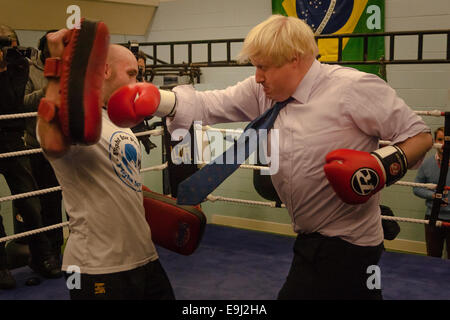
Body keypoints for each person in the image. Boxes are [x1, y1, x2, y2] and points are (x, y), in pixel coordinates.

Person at [107, 15, 433, 300]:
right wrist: (158, 100)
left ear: (294, 59)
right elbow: (209, 105)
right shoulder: (263, 92)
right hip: (311, 237)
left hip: (345, 243)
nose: (258, 76)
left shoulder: (354, 89)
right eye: (255, 66)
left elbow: (419, 136)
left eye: (264, 66)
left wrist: (379, 166)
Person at [37, 28, 175, 300]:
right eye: (132, 74)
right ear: (105, 71)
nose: (138, 82)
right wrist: (58, 65)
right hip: (96, 266)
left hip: (143, 256)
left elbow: (121, 179)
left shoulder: (119, 121)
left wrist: (158, 205)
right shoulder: (75, 121)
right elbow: (50, 141)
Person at [0, 25, 61, 289]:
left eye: (8, 43)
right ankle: (1, 267)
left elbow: (12, 103)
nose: (5, 49)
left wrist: (3, 70)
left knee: (30, 203)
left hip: (13, 140)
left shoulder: (18, 66)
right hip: (21, 138)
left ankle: (43, 256)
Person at [23, 30, 63, 264]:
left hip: (67, 144)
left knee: (72, 197)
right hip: (38, 145)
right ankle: (51, 253)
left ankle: (72, 248)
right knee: (48, 201)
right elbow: (23, 102)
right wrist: (48, 89)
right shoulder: (29, 69)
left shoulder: (68, 67)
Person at [413, 127, 450, 259]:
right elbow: (416, 188)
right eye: (440, 139)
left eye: (447, 140)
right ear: (435, 142)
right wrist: (433, 196)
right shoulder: (426, 163)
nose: (444, 143)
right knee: (432, 258)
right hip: (432, 217)